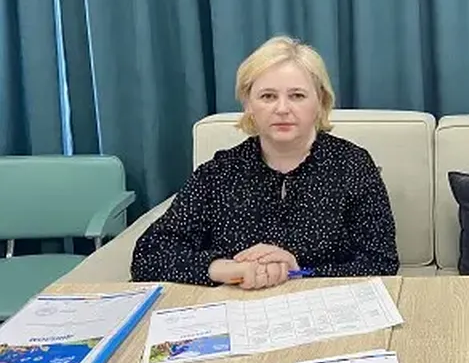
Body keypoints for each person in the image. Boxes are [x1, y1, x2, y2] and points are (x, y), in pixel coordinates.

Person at [131, 35, 399, 288]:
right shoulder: (218, 173)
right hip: (235, 304)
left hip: (322, 305)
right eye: (268, 96)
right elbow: (148, 256)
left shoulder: (352, 165)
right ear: (248, 104)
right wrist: (224, 269)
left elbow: (381, 262)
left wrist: (298, 271)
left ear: (320, 102)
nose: (282, 109)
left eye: (297, 95)